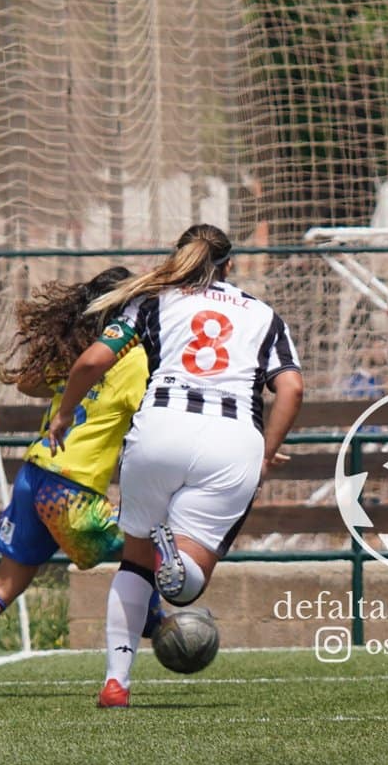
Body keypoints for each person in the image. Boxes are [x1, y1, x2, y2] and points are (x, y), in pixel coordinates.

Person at [49, 224, 303, 708]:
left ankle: (116, 683)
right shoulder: (264, 315)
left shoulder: (151, 301)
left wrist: (65, 412)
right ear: (230, 266)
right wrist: (267, 453)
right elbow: (292, 389)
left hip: (159, 430)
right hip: (232, 441)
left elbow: (90, 362)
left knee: (134, 563)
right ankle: (176, 558)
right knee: (185, 589)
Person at [0, 267, 156, 698]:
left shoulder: (77, 353)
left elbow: (27, 383)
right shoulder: (132, 359)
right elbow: (151, 417)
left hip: (34, 476)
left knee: (5, 583)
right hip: (71, 492)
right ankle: (165, 627)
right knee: (147, 555)